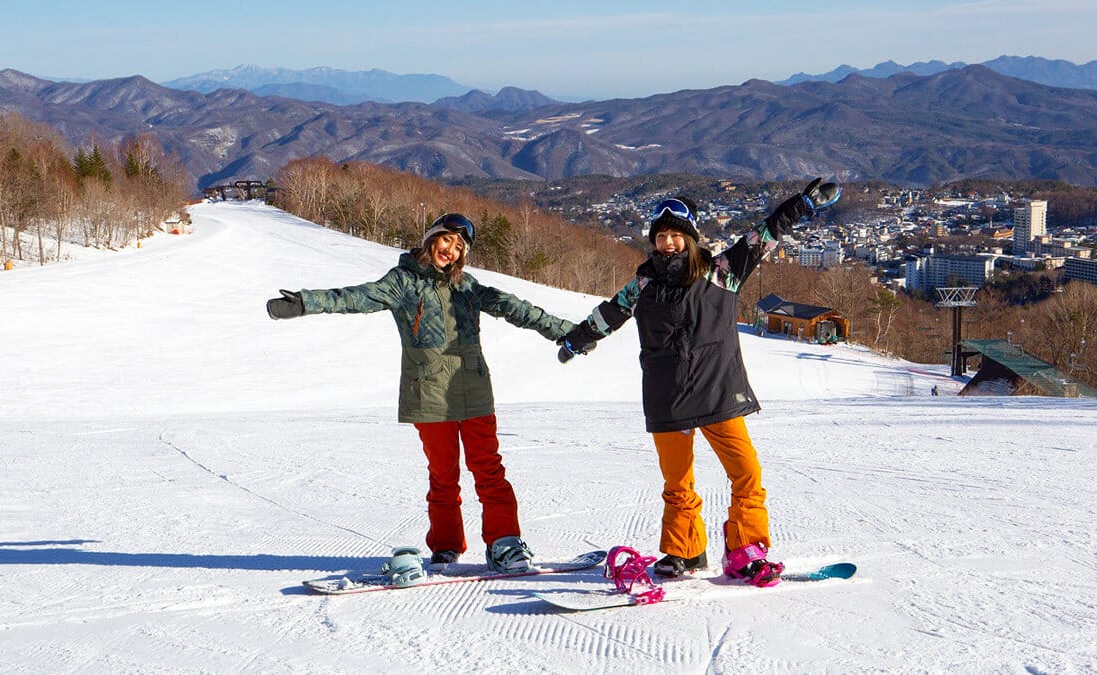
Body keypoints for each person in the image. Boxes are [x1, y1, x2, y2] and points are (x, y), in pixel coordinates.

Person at [557, 179, 840, 586]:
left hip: (717, 389)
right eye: (661, 236)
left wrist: (804, 203)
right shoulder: (643, 285)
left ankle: (745, 550)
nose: (668, 243)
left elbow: (765, 233)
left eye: (676, 235)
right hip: (666, 395)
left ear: (691, 239)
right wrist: (575, 341)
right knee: (677, 482)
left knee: (746, 473)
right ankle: (684, 551)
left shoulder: (721, 273)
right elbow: (608, 315)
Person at [266, 213, 574, 573]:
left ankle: (504, 542)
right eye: (447, 241)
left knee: (489, 470)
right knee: (443, 475)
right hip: (428, 392)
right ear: (432, 239)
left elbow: (515, 308)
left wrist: (568, 332)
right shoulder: (404, 283)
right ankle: (445, 545)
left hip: (473, 389)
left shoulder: (468, 287)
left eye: (460, 247)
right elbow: (356, 297)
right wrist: (306, 302)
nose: (452, 250)